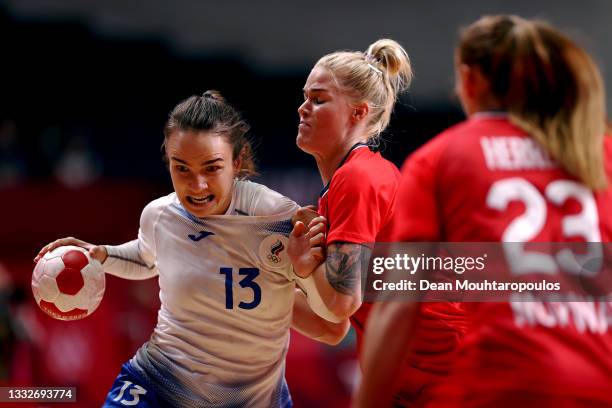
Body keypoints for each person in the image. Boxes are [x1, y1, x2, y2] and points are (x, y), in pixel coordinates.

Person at [356, 15, 612, 407]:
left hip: (501, 384)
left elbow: (398, 306)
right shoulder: (600, 152)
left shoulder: (443, 157)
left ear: (469, 79)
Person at [35, 91, 349, 408]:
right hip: (158, 380)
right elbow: (147, 259)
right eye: (181, 168)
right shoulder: (159, 215)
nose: (196, 185)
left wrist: (299, 276)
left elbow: (334, 327)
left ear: (236, 162)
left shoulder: (278, 219)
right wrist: (100, 254)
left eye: (211, 168)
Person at [287, 39, 468, 406]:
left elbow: (340, 303)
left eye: (318, 100)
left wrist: (301, 268)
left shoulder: (359, 178)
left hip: (451, 377)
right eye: (305, 97)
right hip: (412, 383)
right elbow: (331, 327)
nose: (302, 108)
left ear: (358, 113)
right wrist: (257, 284)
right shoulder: (340, 188)